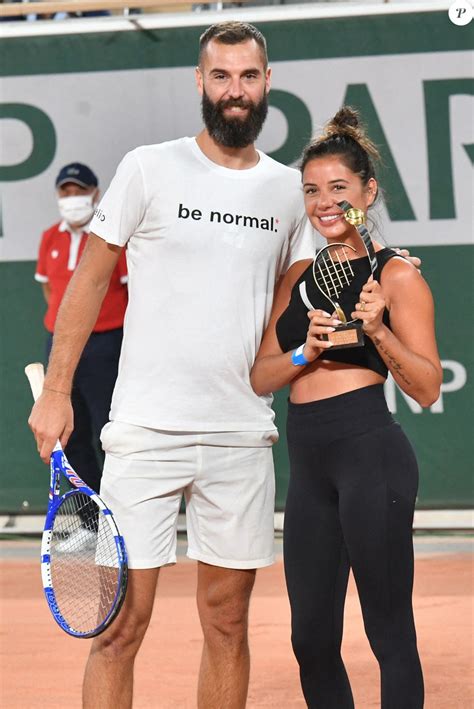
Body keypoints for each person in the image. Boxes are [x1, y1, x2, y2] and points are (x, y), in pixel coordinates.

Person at [28, 23, 420, 708]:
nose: (234, 90)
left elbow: (319, 264)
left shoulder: (284, 191)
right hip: (144, 432)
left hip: (240, 436)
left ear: (267, 84)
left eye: (247, 77)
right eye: (220, 76)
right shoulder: (149, 168)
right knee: (119, 628)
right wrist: (55, 389)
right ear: (200, 83)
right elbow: (88, 282)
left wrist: (390, 260)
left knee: (228, 624)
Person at [250, 107, 442, 708]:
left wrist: (379, 332)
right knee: (310, 638)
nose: (324, 202)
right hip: (309, 468)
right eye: (312, 190)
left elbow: (428, 386)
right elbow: (260, 377)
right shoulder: (298, 274)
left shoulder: (397, 275)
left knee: (388, 631)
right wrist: (304, 352)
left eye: (339, 188)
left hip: (371, 456)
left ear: (368, 192)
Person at [35, 162, 127, 548]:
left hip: (107, 343)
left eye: (80, 191)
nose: (72, 199)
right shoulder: (49, 238)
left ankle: (119, 521)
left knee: (112, 435)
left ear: (95, 193)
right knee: (70, 436)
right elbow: (50, 295)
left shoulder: (111, 237)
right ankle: (92, 524)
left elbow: (129, 291)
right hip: (61, 346)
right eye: (66, 192)